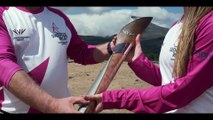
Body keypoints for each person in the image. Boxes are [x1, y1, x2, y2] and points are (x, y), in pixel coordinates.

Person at [85, 7, 213, 113]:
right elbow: (167, 81)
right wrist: (136, 60)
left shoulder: (210, 25)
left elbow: (184, 90)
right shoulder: (177, 25)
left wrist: (115, 99)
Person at [0, 7, 115, 113]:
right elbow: (3, 63)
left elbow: (81, 52)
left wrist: (111, 47)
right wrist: (52, 105)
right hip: (15, 111)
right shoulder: (4, 14)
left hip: (61, 108)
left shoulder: (59, 17)